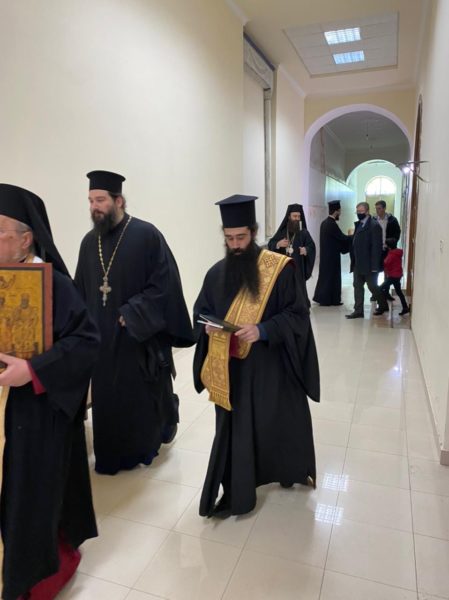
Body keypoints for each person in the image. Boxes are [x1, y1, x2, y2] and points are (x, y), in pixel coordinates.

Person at [0, 183, 99, 600]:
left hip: (38, 413)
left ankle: (31, 575)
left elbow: (87, 342)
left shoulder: (54, 283)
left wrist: (33, 371)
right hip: (8, 409)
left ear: (26, 239)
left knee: (29, 494)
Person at [193, 194, 319, 519]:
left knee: (276, 423)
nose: (235, 245)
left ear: (253, 232)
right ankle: (239, 489)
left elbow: (298, 315)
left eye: (241, 237)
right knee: (238, 431)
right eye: (229, 238)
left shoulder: (279, 270)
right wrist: (207, 328)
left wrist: (263, 330)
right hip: (232, 371)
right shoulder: (215, 274)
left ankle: (287, 470)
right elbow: (201, 312)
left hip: (271, 367)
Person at [75, 170, 194, 476]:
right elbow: (80, 291)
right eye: (90, 201)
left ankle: (143, 448)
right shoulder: (89, 243)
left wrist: (133, 312)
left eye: (100, 200)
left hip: (134, 338)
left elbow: (165, 284)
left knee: (137, 398)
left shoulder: (146, 235)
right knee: (107, 399)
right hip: (102, 343)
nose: (94, 207)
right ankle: (109, 456)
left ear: (119, 201)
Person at [346, 201, 388, 319]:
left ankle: (383, 304)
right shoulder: (359, 224)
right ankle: (358, 311)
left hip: (369, 264)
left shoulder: (374, 226)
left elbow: (376, 248)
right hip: (358, 262)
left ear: (367, 211)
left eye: (361, 211)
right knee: (357, 285)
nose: (359, 213)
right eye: (357, 211)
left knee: (372, 286)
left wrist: (375, 267)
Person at [268, 203, 315, 304]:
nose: (297, 219)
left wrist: (306, 250)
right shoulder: (282, 232)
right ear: (289, 216)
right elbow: (271, 243)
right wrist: (278, 244)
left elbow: (312, 246)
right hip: (284, 269)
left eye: (299, 216)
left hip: (298, 269)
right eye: (294, 216)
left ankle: (300, 306)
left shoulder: (303, 232)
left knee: (299, 292)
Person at [312, 200, 352, 306]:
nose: (340, 213)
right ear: (336, 211)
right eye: (340, 211)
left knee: (325, 277)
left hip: (326, 256)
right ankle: (330, 300)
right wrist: (352, 237)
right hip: (332, 257)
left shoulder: (324, 223)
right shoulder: (331, 224)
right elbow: (341, 238)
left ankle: (324, 298)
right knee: (332, 278)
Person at [380, 237, 410, 315]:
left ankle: (383, 306)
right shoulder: (397, 252)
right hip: (398, 275)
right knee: (399, 292)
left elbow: (385, 263)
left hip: (392, 276)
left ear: (389, 246)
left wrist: (382, 256)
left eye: (386, 245)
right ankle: (405, 307)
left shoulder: (391, 255)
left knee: (380, 289)